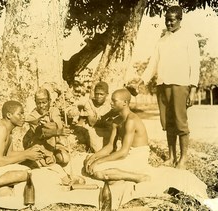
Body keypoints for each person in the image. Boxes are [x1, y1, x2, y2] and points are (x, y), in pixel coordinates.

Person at [132, 5, 200, 169]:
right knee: (168, 123)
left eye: (172, 20)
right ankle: (171, 157)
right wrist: (141, 81)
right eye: (166, 20)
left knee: (180, 123)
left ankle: (183, 159)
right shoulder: (162, 40)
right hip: (163, 85)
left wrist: (192, 89)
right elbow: (152, 64)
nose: (169, 23)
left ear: (180, 20)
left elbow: (195, 65)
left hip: (180, 85)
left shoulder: (189, 38)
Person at [83, 89, 150, 183]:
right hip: (126, 155)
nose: (111, 103)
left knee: (98, 171)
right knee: (88, 161)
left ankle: (138, 177)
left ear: (125, 102)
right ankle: (116, 175)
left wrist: (98, 161)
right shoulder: (117, 121)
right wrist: (94, 157)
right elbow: (110, 146)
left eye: (114, 101)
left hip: (138, 157)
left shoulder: (131, 120)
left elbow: (123, 152)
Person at [23, 88, 71, 167]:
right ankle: (45, 159)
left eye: (44, 102)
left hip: (54, 145)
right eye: (38, 103)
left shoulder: (54, 110)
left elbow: (58, 125)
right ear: (35, 103)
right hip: (39, 145)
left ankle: (50, 157)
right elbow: (40, 133)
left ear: (49, 101)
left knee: (64, 158)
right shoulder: (32, 116)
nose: (41, 106)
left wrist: (59, 128)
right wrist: (57, 131)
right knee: (37, 163)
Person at [77, 81, 114, 152]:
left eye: (101, 94)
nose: (98, 96)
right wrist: (107, 122)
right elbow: (92, 122)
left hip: (107, 129)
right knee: (98, 149)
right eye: (97, 94)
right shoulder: (89, 103)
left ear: (107, 94)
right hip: (94, 128)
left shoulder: (110, 104)